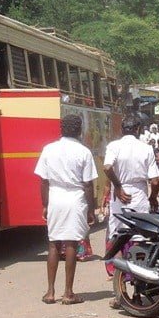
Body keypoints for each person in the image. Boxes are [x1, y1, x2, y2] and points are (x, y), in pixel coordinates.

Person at [34, 113, 99, 304]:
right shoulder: (84, 152)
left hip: (55, 197)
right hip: (75, 198)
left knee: (53, 243)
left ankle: (50, 292)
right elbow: (88, 184)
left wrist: (45, 204)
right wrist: (91, 209)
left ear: (61, 129)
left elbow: (43, 181)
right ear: (79, 130)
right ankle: (68, 293)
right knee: (71, 244)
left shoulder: (48, 149)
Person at [104, 115, 159, 306]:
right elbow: (155, 180)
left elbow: (107, 167)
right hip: (139, 197)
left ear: (122, 129)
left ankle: (119, 292)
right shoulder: (145, 148)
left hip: (119, 198)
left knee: (117, 241)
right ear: (137, 129)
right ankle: (138, 292)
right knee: (140, 243)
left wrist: (118, 186)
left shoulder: (114, 146)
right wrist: (153, 197)